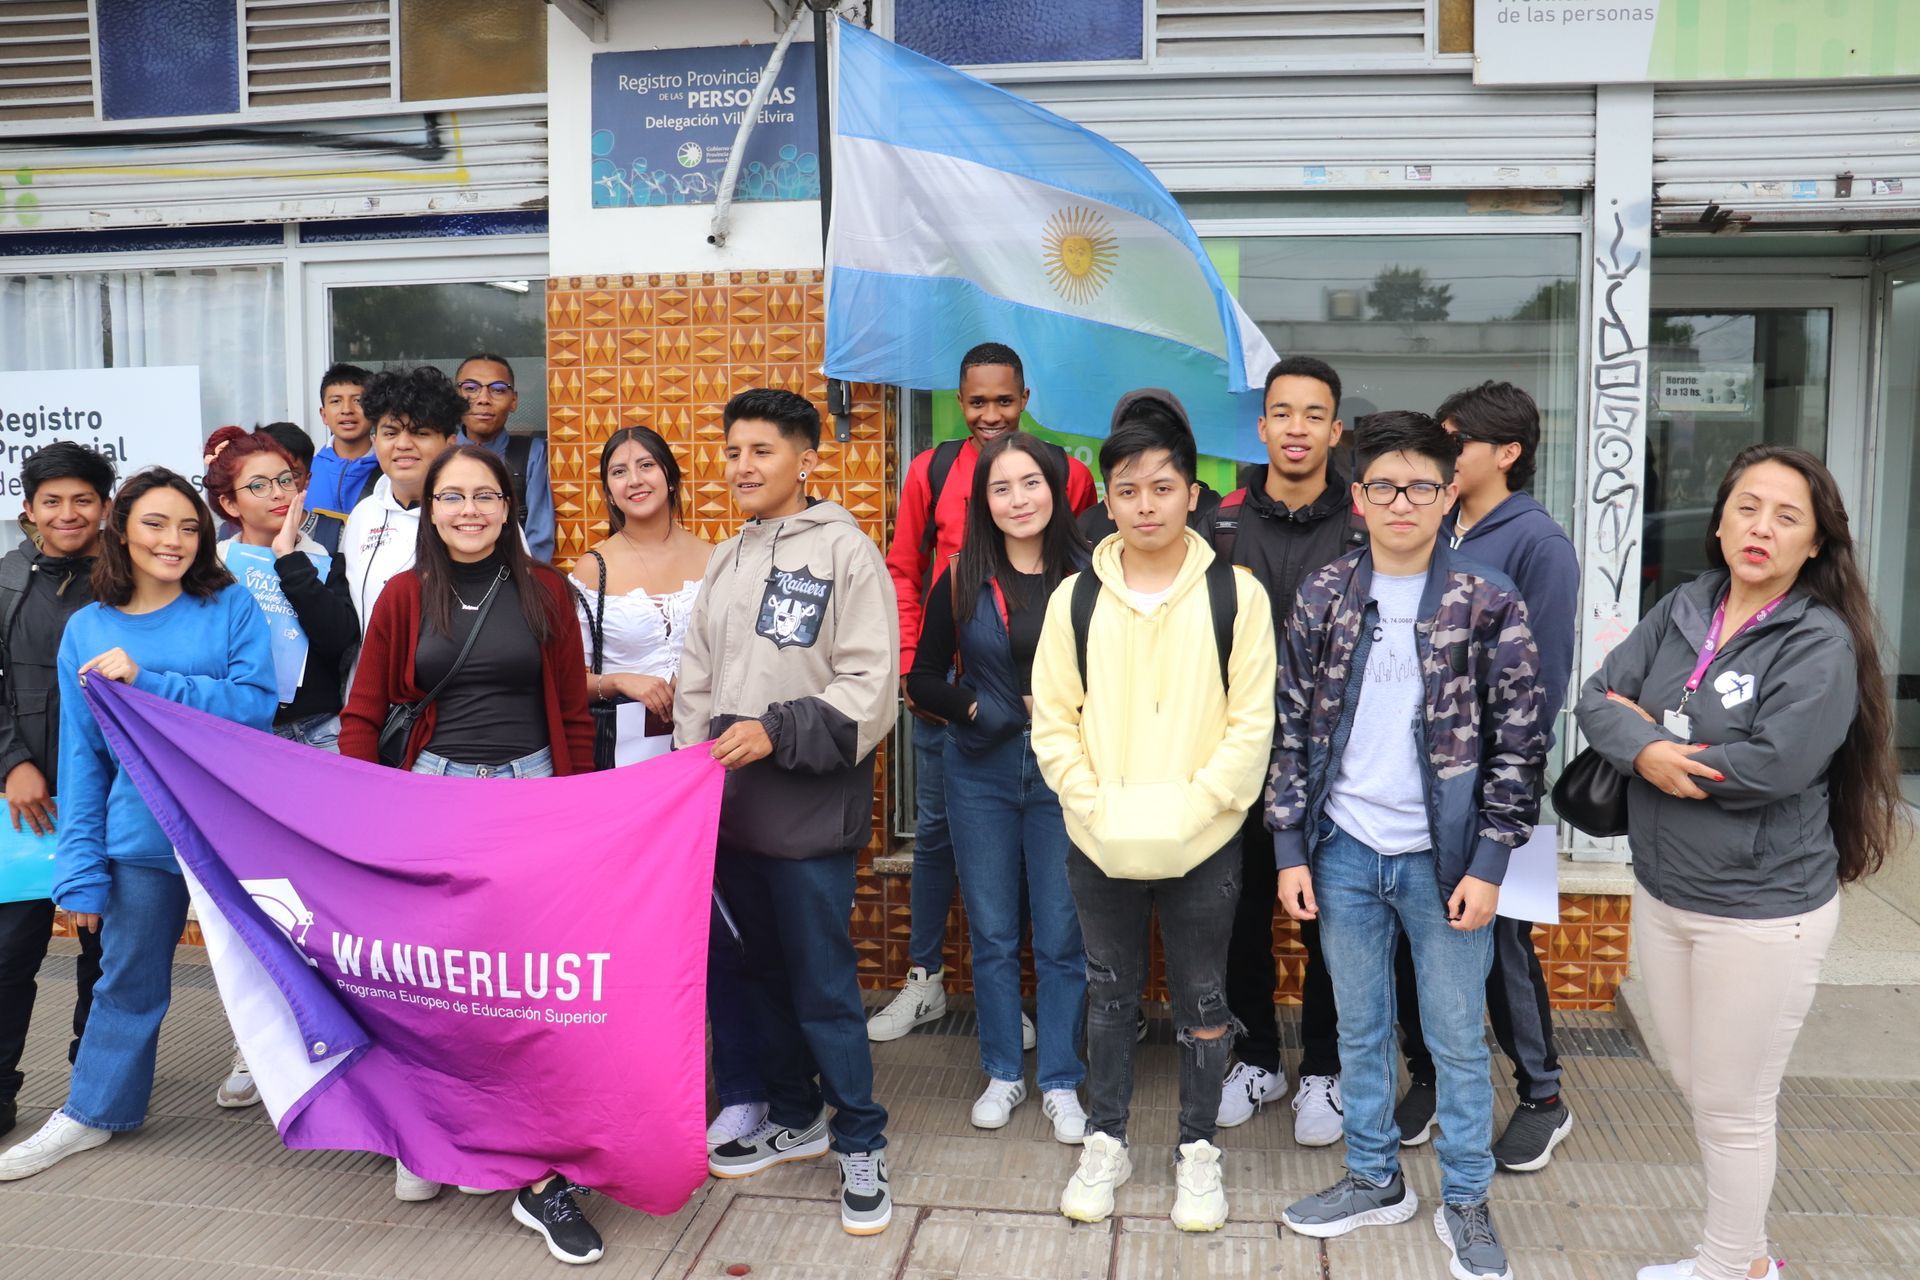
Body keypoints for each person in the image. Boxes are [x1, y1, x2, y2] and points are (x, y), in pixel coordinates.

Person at [1575, 445, 1907, 1280]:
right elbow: (1596, 697)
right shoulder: (1685, 605)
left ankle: (1734, 1266)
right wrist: (1651, 748)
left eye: (1787, 517)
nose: (1762, 528)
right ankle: (1744, 1257)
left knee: (1734, 1103)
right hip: (1665, 891)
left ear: (1815, 543)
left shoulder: (1818, 641)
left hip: (1761, 910)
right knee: (1696, 1079)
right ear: (1719, 520)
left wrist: (1650, 748)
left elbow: (1774, 766)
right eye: (1747, 508)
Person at [1270, 412, 1546, 1280]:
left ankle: (1465, 1199)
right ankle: (1372, 1177)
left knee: (1457, 1037)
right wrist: (1289, 847)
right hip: (1344, 849)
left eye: (1421, 486)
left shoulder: (1487, 598)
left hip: (1445, 859)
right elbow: (1288, 728)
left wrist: (1492, 863)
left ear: (1448, 493)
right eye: (1383, 486)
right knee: (1359, 1027)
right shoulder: (1326, 593)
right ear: (1357, 496)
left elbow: (1520, 742)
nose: (1402, 502)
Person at [339, 444, 599, 1266]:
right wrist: (365, 820)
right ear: (431, 509)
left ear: (509, 505)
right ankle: (432, 1135)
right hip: (432, 795)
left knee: (522, 985)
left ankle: (531, 1164)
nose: (469, 510)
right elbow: (363, 713)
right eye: (452, 497)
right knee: (436, 981)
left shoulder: (548, 591)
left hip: (530, 795)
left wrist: (575, 813)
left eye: (485, 495)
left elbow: (573, 712)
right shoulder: (403, 594)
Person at [1031, 392, 1275, 1233]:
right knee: (1109, 996)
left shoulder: (1237, 596)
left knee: (1205, 1001)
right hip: (1098, 837)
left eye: (1163, 488)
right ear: (1106, 500)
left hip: (1204, 840)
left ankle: (1198, 1152)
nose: (1146, 505)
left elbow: (1251, 724)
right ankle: (1107, 1141)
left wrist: (1195, 810)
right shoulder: (1075, 600)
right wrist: (1092, 805)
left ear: (1192, 495)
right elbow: (1053, 720)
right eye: (1128, 490)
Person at [0, 469, 275, 1181]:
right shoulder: (88, 628)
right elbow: (83, 760)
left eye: (188, 526)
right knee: (125, 982)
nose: (173, 540)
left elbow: (255, 706)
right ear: (121, 531)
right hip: (140, 837)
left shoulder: (230, 605)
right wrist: (80, 872)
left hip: (233, 833)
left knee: (280, 975)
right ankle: (92, 1112)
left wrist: (146, 681)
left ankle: (340, 1110)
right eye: (155, 523)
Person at [676, 388, 898, 1237]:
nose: (742, 467)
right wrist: (691, 777)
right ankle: (796, 1115)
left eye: (761, 451)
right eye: (733, 451)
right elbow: (696, 681)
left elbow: (871, 687)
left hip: (808, 814)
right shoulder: (727, 557)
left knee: (822, 984)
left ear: (807, 460)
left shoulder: (845, 551)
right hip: (730, 813)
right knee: (759, 974)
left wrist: (775, 730)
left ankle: (862, 1140)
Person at [872, 341, 1097, 1046]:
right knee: (940, 838)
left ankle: (1024, 1007)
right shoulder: (930, 470)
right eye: (977, 402)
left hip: (1045, 713)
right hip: (952, 694)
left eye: (1004, 401)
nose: (990, 414)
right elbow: (903, 569)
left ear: (1025, 399)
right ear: (959, 401)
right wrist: (918, 672)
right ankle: (925, 978)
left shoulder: (1066, 473)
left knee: (1041, 861)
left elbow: (1077, 569)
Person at [1391, 381, 1581, 1171]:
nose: (1442, 456)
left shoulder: (1539, 543)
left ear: (1508, 453)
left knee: (1502, 942)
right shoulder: (1438, 524)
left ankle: (1542, 1097)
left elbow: (1546, 680)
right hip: (1417, 788)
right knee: (1415, 937)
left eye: (1455, 441)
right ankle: (1433, 1077)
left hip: (1497, 787)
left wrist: (1508, 784)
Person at [568, 428, 760, 1154]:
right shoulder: (589, 568)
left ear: (672, 476)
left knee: (731, 928)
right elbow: (564, 677)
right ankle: (644, 1086)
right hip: (632, 778)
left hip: (722, 764)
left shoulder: (722, 557)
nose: (634, 479)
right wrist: (620, 681)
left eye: (646, 465)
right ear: (608, 489)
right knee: (641, 937)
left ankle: (743, 1088)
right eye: (618, 471)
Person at [907, 432, 1090, 1145]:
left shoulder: (1090, 573)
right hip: (980, 770)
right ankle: (1003, 1072)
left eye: (1031, 483)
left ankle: (1062, 1080)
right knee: (991, 932)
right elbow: (923, 679)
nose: (1018, 500)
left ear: (1056, 489)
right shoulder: (960, 575)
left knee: (1062, 934)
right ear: (983, 501)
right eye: (1001, 487)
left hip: (1064, 771)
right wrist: (977, 707)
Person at [1203, 355, 1365, 1146]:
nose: (1296, 428)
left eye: (1314, 415)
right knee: (1240, 917)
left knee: (1330, 920)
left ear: (1336, 431)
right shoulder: (1222, 522)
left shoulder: (1365, 522)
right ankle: (1257, 1057)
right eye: (1282, 413)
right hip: (1241, 761)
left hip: (1338, 768)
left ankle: (1325, 1070)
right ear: (1261, 426)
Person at [0, 444, 115, 1141]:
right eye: (52, 501)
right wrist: (11, 762)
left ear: (105, 506)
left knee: (106, 951)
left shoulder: (129, 579)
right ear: (30, 509)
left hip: (112, 793)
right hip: (28, 803)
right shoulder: (7, 580)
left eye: (82, 500)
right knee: (10, 950)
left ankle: (95, 1087)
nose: (67, 514)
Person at [341, 366, 463, 631]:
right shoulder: (363, 515)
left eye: (420, 432)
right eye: (391, 433)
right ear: (375, 441)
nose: (403, 444)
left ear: (450, 443)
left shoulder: (477, 515)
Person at [455, 353, 555, 563]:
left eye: (498, 389)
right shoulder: (439, 455)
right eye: (471, 388)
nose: (483, 399)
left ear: (514, 401)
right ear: (456, 396)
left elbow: (538, 541)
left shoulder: (532, 455)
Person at [305, 364, 377, 556]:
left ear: (374, 411)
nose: (347, 410)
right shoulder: (305, 472)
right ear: (324, 415)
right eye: (336, 401)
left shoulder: (392, 471)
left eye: (358, 401)